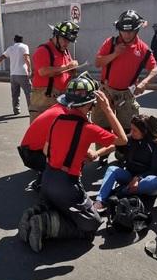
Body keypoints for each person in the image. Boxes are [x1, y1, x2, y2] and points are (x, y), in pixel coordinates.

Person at [18, 76, 128, 252]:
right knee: (92, 224)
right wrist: (107, 109)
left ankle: (37, 212)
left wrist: (77, 153)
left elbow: (47, 150)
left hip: (46, 179)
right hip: (66, 186)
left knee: (62, 206)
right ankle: (45, 224)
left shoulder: (57, 120)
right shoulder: (88, 128)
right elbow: (122, 140)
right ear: (88, 105)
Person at [91, 10, 157, 132]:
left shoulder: (143, 49)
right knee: (102, 130)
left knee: (127, 131)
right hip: (106, 91)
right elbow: (97, 63)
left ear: (137, 30)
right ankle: (102, 152)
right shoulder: (110, 43)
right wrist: (115, 53)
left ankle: (122, 151)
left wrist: (144, 82)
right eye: (123, 31)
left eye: (130, 31)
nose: (126, 34)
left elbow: (154, 69)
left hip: (126, 95)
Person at [93, 114, 157, 212]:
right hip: (130, 176)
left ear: (144, 131)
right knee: (112, 169)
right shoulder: (130, 139)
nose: (131, 132)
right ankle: (100, 201)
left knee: (153, 182)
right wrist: (96, 154)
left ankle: (118, 193)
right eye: (131, 129)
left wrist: (139, 178)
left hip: (145, 181)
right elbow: (113, 146)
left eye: (134, 130)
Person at [28, 21, 79, 122]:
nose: (66, 43)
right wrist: (66, 67)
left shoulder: (65, 51)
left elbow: (68, 72)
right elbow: (43, 71)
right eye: (64, 40)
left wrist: (73, 70)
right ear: (56, 36)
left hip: (60, 98)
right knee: (41, 131)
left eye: (69, 41)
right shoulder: (43, 50)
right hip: (44, 100)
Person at [17, 101, 68, 187]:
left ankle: (45, 175)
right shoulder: (64, 116)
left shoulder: (58, 107)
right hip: (33, 155)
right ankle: (45, 179)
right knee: (71, 157)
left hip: (28, 152)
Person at [0, 34, 31, 115]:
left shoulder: (10, 48)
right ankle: (31, 110)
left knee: (15, 94)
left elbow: (2, 57)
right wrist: (29, 69)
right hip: (22, 74)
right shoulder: (24, 46)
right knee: (29, 93)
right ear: (22, 40)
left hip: (13, 75)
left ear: (14, 40)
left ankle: (16, 110)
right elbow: (26, 58)